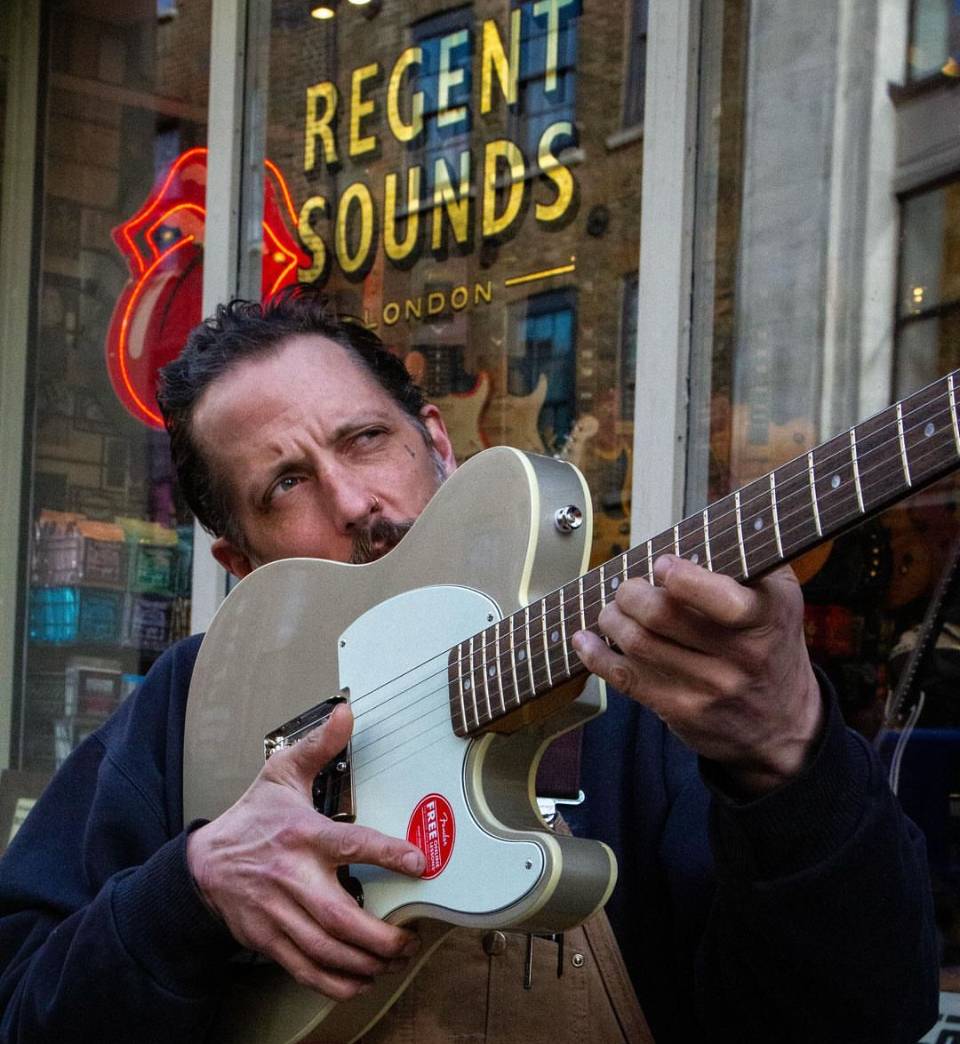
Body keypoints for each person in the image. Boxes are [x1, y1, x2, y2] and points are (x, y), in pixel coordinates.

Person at [0, 287, 938, 1043]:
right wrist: (190, 890)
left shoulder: (641, 684)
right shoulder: (190, 707)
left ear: (438, 444)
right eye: (286, 485)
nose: (359, 500)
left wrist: (786, 758)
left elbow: (861, 1019)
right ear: (240, 565)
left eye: (367, 439)